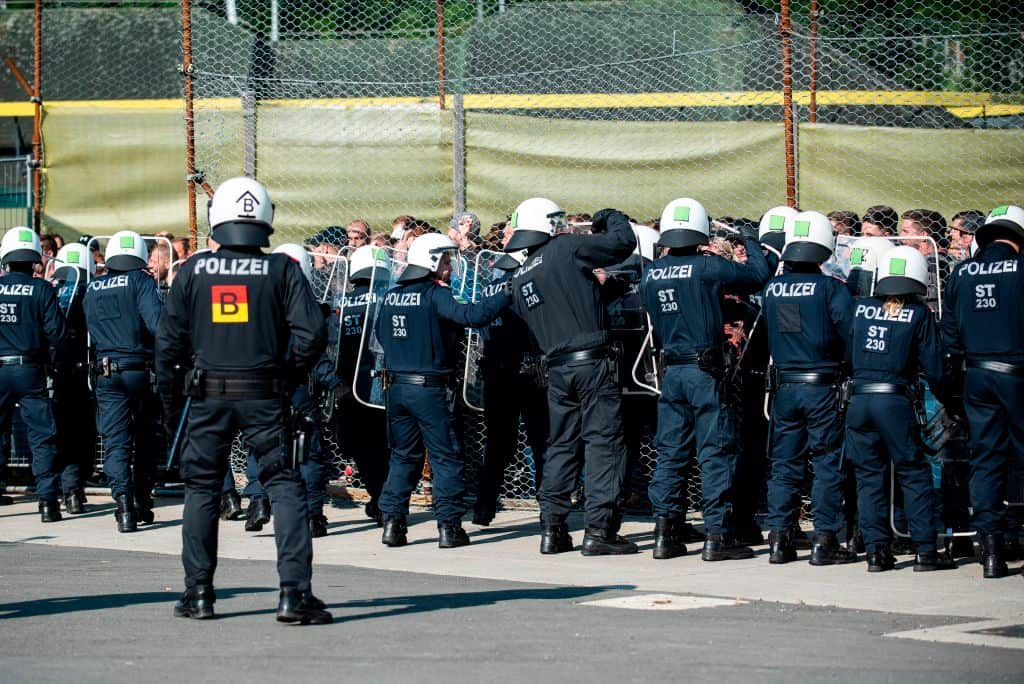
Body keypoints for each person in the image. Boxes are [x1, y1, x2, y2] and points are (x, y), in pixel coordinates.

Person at [156, 176, 331, 623]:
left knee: (200, 489)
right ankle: (294, 595)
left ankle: (198, 594)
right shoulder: (282, 269)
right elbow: (312, 335)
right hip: (265, 395)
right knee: (284, 485)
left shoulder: (193, 270)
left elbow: (168, 346)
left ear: (217, 220)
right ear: (265, 219)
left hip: (207, 394)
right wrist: (285, 373)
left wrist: (173, 407)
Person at [503, 198, 637, 556]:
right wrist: (610, 215)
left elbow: (563, 307)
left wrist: (605, 291)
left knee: (561, 446)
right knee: (603, 443)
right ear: (547, 225)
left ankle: (552, 528)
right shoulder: (564, 247)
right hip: (593, 363)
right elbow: (622, 243)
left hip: (558, 367)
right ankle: (599, 530)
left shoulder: (520, 275)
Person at [641, 198, 770, 560]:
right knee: (716, 452)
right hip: (706, 369)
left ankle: (665, 533)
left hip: (672, 369)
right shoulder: (708, 266)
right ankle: (718, 536)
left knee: (671, 453)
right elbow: (758, 277)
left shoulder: (651, 271)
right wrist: (752, 240)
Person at [375, 233, 508, 548]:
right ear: (432, 262)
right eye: (446, 260)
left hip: (396, 387)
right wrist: (505, 294)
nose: (450, 266)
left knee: (403, 456)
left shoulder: (392, 295)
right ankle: (449, 527)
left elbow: (381, 336)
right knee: (445, 457)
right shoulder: (436, 295)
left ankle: (393, 524)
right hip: (431, 389)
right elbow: (472, 316)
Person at [845, 246, 956, 572]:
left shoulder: (860, 308)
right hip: (895, 401)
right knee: (912, 472)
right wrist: (951, 399)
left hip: (860, 400)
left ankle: (877, 553)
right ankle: (926, 551)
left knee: (868, 477)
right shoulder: (919, 315)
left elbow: (849, 354)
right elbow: (934, 367)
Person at [763, 210, 856, 566]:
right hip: (823, 387)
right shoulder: (832, 289)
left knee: (784, 465)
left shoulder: (774, 288)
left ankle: (780, 539)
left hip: (786, 387)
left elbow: (787, 327)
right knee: (827, 464)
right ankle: (825, 540)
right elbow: (848, 334)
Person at [941, 204, 1024, 579]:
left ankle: (990, 549)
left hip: (975, 375)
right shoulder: (1020, 268)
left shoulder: (962, 272)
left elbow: (950, 332)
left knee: (985, 460)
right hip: (1016, 373)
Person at [240, 243, 333, 538]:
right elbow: (314, 352)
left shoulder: (255, 308)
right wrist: (336, 383)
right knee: (308, 452)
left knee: (260, 444)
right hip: (294, 388)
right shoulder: (303, 310)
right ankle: (312, 515)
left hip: (257, 387)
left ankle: (258, 501)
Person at [83, 230, 164, 533]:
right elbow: (157, 325)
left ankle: (123, 508)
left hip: (104, 371)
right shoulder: (140, 281)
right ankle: (142, 500)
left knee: (116, 442)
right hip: (138, 369)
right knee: (144, 438)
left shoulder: (92, 287)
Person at [0, 227, 66, 521]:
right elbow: (58, 333)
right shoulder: (42, 289)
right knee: (41, 436)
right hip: (29, 369)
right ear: (33, 259)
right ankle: (48, 502)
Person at [330, 245, 392, 526]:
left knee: (361, 448)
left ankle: (378, 497)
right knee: (382, 445)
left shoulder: (343, 301)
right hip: (377, 382)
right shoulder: (384, 297)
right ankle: (383, 500)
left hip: (345, 384)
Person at [51, 242, 96, 515]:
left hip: (57, 371)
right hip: (85, 371)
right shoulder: (90, 292)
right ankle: (74, 490)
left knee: (61, 433)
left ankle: (64, 490)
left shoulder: (52, 292)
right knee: (81, 434)